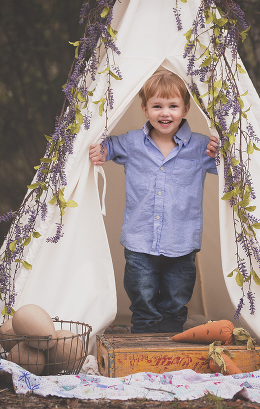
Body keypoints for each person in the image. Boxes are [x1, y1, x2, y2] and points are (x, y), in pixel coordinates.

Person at [89, 68, 219, 333]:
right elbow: (110, 146)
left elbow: (228, 170)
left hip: (181, 240)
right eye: (157, 106)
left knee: (177, 294)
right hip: (139, 238)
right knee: (141, 291)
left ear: (185, 109)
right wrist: (101, 150)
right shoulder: (132, 142)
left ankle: (171, 333)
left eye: (173, 105)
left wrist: (220, 153)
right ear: (145, 109)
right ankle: (144, 332)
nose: (165, 113)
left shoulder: (200, 146)